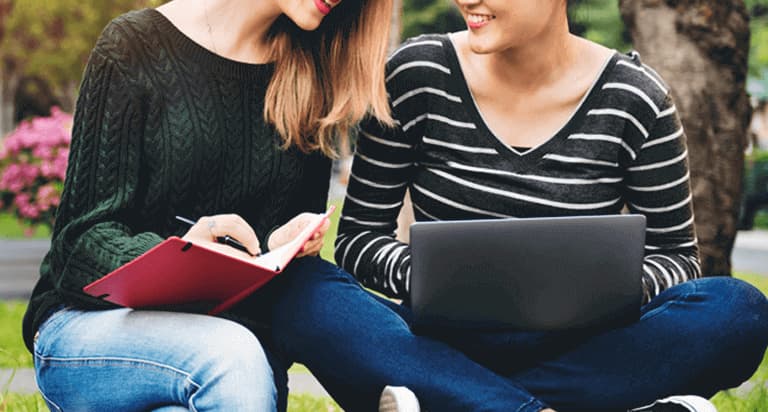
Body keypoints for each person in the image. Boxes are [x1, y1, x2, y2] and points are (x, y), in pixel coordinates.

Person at [266, 0, 768, 411]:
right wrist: (438, 278)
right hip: (437, 339)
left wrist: (600, 289)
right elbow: (358, 240)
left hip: (585, 347)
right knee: (301, 290)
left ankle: (455, 401)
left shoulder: (636, 100)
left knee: (738, 311)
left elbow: (678, 257)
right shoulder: (415, 75)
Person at [21, 0, 394, 410]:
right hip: (88, 328)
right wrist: (179, 255)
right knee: (229, 354)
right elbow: (79, 241)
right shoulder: (133, 46)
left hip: (228, 354)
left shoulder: (309, 77)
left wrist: (281, 245)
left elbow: (276, 303)